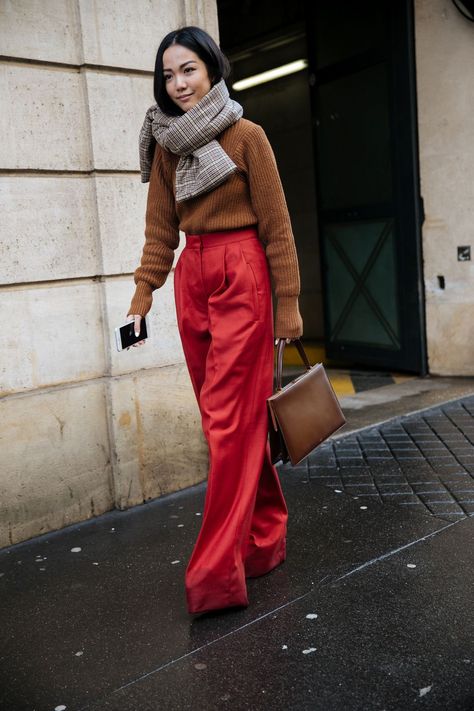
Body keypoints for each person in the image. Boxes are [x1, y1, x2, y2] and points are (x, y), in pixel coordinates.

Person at [127, 26, 303, 615]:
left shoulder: (246, 135)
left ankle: (214, 573)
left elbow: (278, 227)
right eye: (169, 74)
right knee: (224, 421)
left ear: (213, 70)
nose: (178, 84)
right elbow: (159, 232)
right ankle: (265, 532)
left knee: (229, 424)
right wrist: (142, 295)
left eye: (189, 71)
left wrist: (290, 304)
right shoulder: (166, 145)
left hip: (243, 271)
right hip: (191, 279)